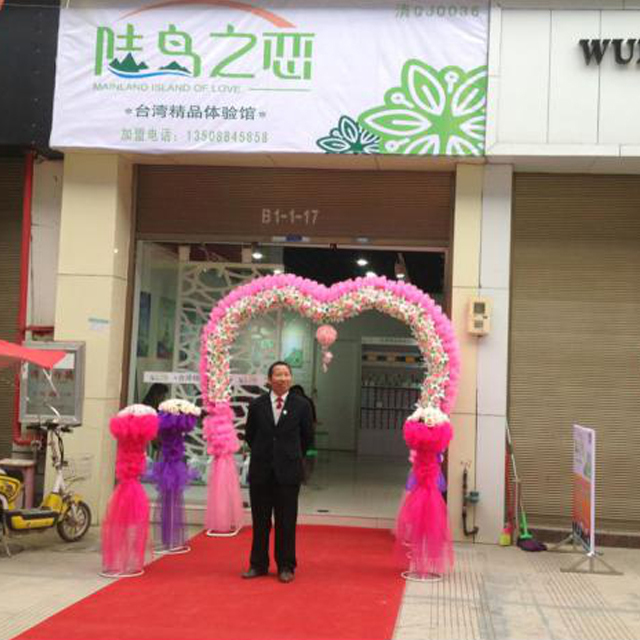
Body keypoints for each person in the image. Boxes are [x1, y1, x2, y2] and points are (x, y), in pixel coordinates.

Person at [242, 361, 314, 583]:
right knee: (260, 521)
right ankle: (258, 564)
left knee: (286, 521)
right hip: (261, 471)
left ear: (291, 378)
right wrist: (266, 452)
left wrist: (289, 455)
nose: (283, 378)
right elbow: (250, 435)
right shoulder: (257, 405)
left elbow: (307, 438)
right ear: (269, 379)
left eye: (286, 374)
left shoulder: (302, 405)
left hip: (288, 472)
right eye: (278, 374)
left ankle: (286, 566)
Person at [289, 384, 317, 484]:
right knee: (309, 456)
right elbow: (314, 420)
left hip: (293, 435)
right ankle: (305, 477)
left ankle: (295, 476)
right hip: (307, 434)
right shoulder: (308, 401)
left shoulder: (289, 401)